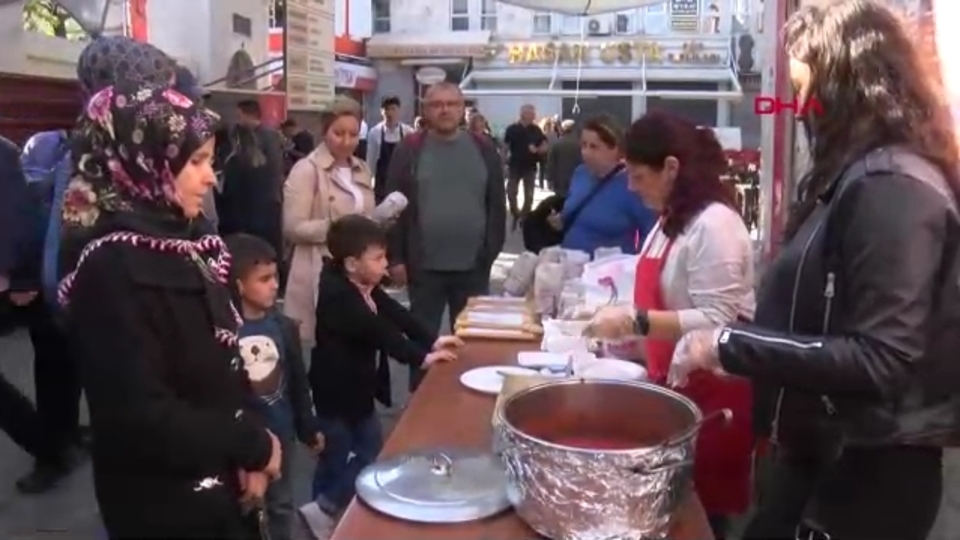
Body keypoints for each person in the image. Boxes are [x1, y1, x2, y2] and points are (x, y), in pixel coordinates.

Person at [666, 3, 960, 539]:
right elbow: (819, 325)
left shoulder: (892, 186)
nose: (800, 108)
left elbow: (882, 356)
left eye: (807, 88)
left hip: (866, 477)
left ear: (850, 85)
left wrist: (727, 345)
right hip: (818, 457)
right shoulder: (856, 180)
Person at [58, 85, 282, 538]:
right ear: (143, 163)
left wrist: (249, 450)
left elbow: (226, 364)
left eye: (210, 160)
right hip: (165, 504)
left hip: (221, 480)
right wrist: (252, 446)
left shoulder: (192, 242)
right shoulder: (110, 266)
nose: (211, 178)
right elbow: (140, 416)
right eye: (195, 162)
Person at [584, 111, 756, 539]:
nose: (630, 187)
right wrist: (628, 335)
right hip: (675, 386)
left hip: (713, 395)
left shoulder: (715, 225)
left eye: (639, 176)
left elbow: (718, 320)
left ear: (672, 168)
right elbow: (662, 297)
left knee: (702, 519)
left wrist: (636, 321)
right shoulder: (671, 218)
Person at [299, 214, 460, 537]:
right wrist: (422, 358)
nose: (385, 264)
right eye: (377, 258)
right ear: (351, 264)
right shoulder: (339, 295)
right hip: (335, 391)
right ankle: (322, 507)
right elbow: (380, 332)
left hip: (358, 389)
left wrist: (432, 338)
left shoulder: (363, 284)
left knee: (368, 450)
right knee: (339, 454)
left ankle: (321, 509)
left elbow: (396, 314)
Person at [384, 82, 505, 391]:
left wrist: (490, 250)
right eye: (437, 104)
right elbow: (393, 206)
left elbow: (496, 205)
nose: (445, 109)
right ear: (426, 110)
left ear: (462, 108)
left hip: (473, 265)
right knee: (424, 343)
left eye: (452, 103)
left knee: (471, 343)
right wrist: (395, 257)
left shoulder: (483, 148)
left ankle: (466, 397)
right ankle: (421, 404)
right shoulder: (409, 149)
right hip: (424, 267)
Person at [224, 233, 323, 540]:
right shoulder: (224, 333)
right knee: (244, 507)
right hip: (244, 441)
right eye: (263, 279)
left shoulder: (282, 326)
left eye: (275, 277)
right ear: (238, 285)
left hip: (283, 434)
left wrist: (307, 427)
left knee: (281, 504)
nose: (274, 285)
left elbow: (297, 381)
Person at [283, 96, 374, 344]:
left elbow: (365, 215)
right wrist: (340, 229)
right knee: (326, 352)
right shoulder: (307, 169)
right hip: (319, 271)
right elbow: (293, 227)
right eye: (339, 133)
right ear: (325, 132)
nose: (346, 141)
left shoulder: (362, 168)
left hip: (358, 272)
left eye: (353, 134)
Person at [555, 114, 655, 256]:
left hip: (606, 272)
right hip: (568, 266)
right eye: (583, 145)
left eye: (594, 147)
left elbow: (650, 234)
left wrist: (633, 266)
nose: (586, 152)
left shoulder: (632, 184)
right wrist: (561, 219)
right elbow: (576, 207)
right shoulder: (580, 173)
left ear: (614, 149)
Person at [217, 99, 285, 250]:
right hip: (268, 209)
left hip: (252, 211)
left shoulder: (252, 143)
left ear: (248, 115)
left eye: (240, 116)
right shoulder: (272, 137)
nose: (238, 121)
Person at [503, 104, 548, 227]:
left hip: (530, 166)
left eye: (534, 113)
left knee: (529, 195)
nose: (534, 116)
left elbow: (544, 145)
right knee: (511, 192)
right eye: (531, 113)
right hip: (515, 165)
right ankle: (515, 212)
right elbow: (505, 147)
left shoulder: (536, 130)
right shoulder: (512, 129)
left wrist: (538, 149)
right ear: (523, 114)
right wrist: (503, 163)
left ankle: (524, 216)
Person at [365, 96, 413, 204]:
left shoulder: (408, 132)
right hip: (382, 182)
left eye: (393, 109)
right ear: (381, 112)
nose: (389, 113)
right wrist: (369, 181)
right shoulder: (375, 132)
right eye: (386, 109)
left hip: (402, 181)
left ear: (399, 111)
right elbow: (370, 160)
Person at [545, 119, 581, 196]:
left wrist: (549, 179)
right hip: (577, 179)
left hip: (560, 181)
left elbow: (551, 163)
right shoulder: (581, 145)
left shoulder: (556, 144)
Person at [537, 116, 559, 189]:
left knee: (548, 169)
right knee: (543, 169)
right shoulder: (542, 134)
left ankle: (547, 184)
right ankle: (542, 184)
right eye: (548, 124)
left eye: (550, 124)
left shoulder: (553, 134)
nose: (550, 126)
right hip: (545, 153)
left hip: (550, 152)